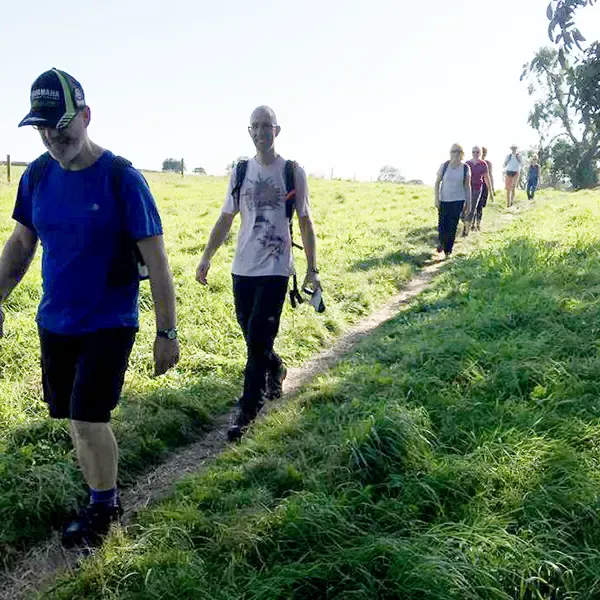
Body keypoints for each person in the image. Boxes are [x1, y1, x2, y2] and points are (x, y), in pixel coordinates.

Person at [0, 68, 180, 547]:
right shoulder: (37, 175)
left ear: (86, 115)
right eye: (43, 131)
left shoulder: (121, 179)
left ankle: (105, 510)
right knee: (72, 416)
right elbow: (22, 243)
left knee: (87, 417)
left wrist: (168, 332)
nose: (54, 140)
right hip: (55, 320)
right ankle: (98, 491)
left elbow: (157, 259)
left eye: (63, 129)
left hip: (109, 321)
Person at [196, 105, 320, 442]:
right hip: (243, 268)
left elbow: (306, 221)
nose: (262, 132)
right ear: (249, 132)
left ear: (277, 131)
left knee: (256, 342)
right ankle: (275, 367)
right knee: (251, 334)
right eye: (256, 126)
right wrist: (206, 256)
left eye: (268, 126)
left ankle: (248, 409)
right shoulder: (239, 171)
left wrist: (312, 269)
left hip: (276, 269)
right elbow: (226, 218)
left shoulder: (292, 172)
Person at [434, 143, 472, 258]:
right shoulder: (444, 165)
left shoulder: (465, 168)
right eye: (453, 151)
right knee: (442, 225)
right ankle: (442, 242)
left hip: (458, 200)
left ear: (462, 154)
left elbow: (467, 186)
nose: (455, 154)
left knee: (452, 225)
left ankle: (448, 251)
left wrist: (469, 204)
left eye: (458, 151)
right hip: (444, 199)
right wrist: (436, 198)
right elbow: (437, 183)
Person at [465, 146, 494, 234]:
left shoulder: (483, 164)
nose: (475, 154)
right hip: (467, 187)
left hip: (478, 188)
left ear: (480, 153)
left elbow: (487, 178)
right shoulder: (467, 164)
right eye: (474, 152)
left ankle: (468, 230)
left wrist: (491, 192)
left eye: (477, 152)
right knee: (465, 207)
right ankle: (467, 224)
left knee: (473, 207)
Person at [477, 146, 495, 229]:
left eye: (484, 152)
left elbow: (490, 176)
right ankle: (476, 223)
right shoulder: (473, 162)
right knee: (477, 204)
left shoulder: (488, 163)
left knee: (481, 205)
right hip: (475, 185)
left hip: (485, 186)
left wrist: (492, 189)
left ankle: (478, 222)